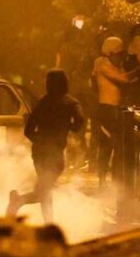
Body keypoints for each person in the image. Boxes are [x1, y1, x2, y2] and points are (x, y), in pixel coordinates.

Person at [7, 69, 85, 223]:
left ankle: (47, 221)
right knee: (45, 189)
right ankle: (20, 202)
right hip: (54, 152)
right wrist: (66, 126)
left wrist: (41, 141)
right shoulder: (71, 103)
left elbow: (28, 130)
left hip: (39, 151)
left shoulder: (42, 102)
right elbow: (79, 123)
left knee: (45, 188)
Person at [91, 36, 134, 190]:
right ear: (110, 53)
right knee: (106, 146)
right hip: (107, 109)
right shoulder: (103, 65)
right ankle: (102, 181)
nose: (121, 57)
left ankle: (116, 180)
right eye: (118, 54)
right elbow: (123, 80)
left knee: (118, 145)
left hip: (116, 109)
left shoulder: (116, 65)